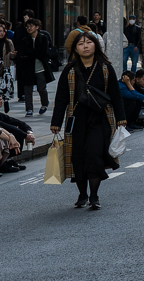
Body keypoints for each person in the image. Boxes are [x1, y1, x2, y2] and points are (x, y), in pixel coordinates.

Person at [49, 32, 127, 210]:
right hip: (76, 120)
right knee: (78, 158)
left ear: (96, 46)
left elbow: (115, 95)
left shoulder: (105, 68)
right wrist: (56, 122)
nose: (85, 46)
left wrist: (122, 117)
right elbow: (61, 98)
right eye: (81, 44)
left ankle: (94, 195)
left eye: (89, 42)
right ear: (75, 48)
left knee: (94, 156)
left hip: (100, 120)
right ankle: (82, 194)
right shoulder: (69, 70)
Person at [0, 88, 32, 171]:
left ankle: (9, 160)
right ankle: (3, 162)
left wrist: (29, 132)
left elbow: (17, 122)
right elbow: (3, 126)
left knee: (18, 129)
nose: (0, 98)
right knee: (14, 132)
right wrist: (25, 136)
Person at [15, 18, 54, 118]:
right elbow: (25, 51)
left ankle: (44, 103)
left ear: (37, 27)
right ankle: (29, 109)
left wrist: (31, 53)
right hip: (28, 68)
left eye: (31, 26)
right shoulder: (25, 40)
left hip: (41, 67)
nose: (29, 28)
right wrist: (33, 53)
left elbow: (43, 52)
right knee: (27, 89)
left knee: (41, 88)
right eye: (27, 27)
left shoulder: (43, 38)